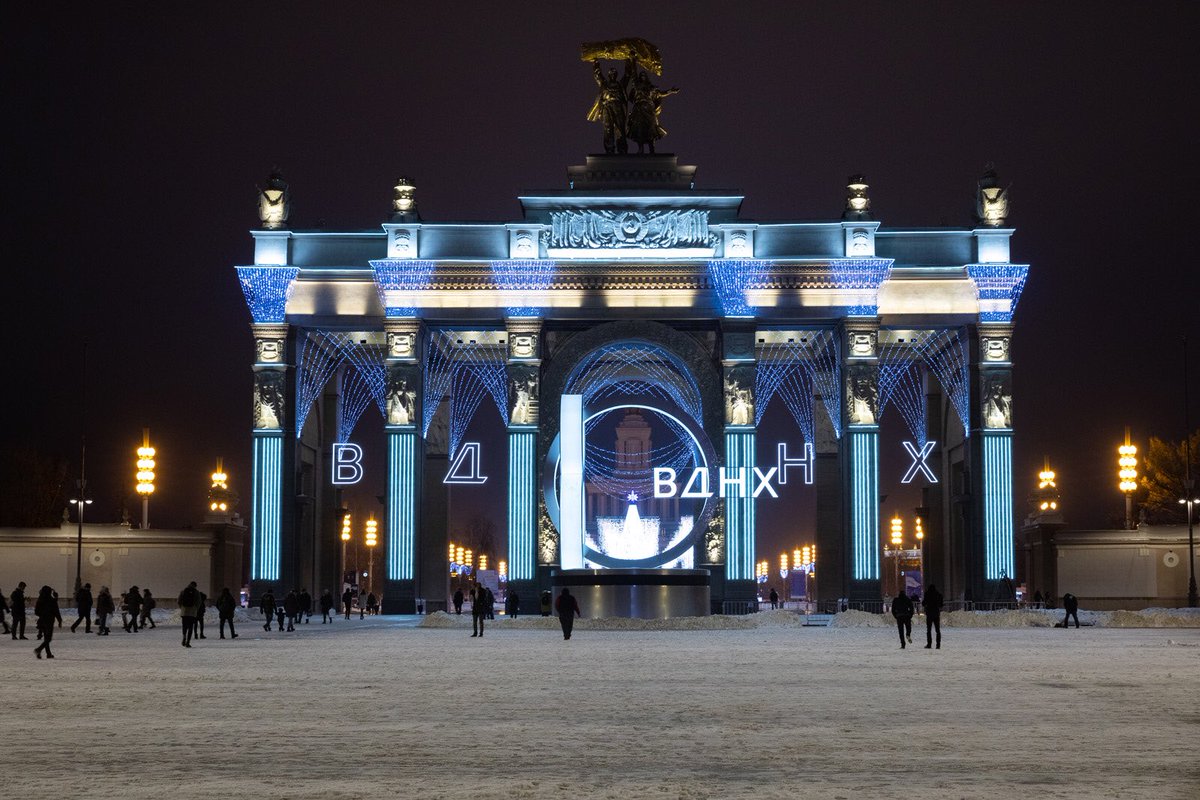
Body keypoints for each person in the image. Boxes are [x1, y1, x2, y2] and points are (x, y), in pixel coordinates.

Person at [33, 585, 62, 659]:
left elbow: (36, 611)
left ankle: (48, 653)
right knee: (48, 638)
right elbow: (56, 611)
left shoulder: (40, 599)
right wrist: (59, 620)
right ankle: (39, 649)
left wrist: (42, 615)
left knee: (46, 638)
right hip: (49, 621)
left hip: (42, 620)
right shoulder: (51, 600)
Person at [178, 581, 201, 647]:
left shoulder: (183, 591)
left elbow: (179, 600)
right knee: (191, 627)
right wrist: (195, 609)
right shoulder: (197, 592)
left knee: (184, 626)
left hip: (184, 612)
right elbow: (199, 602)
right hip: (192, 612)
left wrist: (182, 608)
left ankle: (184, 637)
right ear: (195, 586)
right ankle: (188, 641)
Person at [923, 584, 944, 649]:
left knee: (928, 630)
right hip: (936, 613)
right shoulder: (938, 595)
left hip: (929, 613)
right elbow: (941, 605)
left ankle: (929, 644)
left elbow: (923, 603)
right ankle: (938, 645)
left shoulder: (927, 594)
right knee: (937, 630)